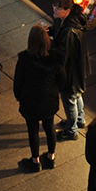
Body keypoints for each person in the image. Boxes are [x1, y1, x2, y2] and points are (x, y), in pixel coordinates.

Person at [14, 24, 64, 172]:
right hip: (49, 99)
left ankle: (35, 161)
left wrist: (19, 96)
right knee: (49, 127)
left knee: (33, 130)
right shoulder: (54, 60)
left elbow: (18, 81)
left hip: (30, 101)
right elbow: (62, 80)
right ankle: (50, 157)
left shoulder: (24, 59)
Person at [50, 0, 90, 140]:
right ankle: (80, 120)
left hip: (70, 73)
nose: (54, 9)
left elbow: (63, 54)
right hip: (77, 70)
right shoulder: (69, 23)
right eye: (54, 5)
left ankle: (71, 130)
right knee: (76, 95)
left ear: (67, 11)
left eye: (58, 7)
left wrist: (49, 48)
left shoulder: (69, 31)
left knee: (69, 100)